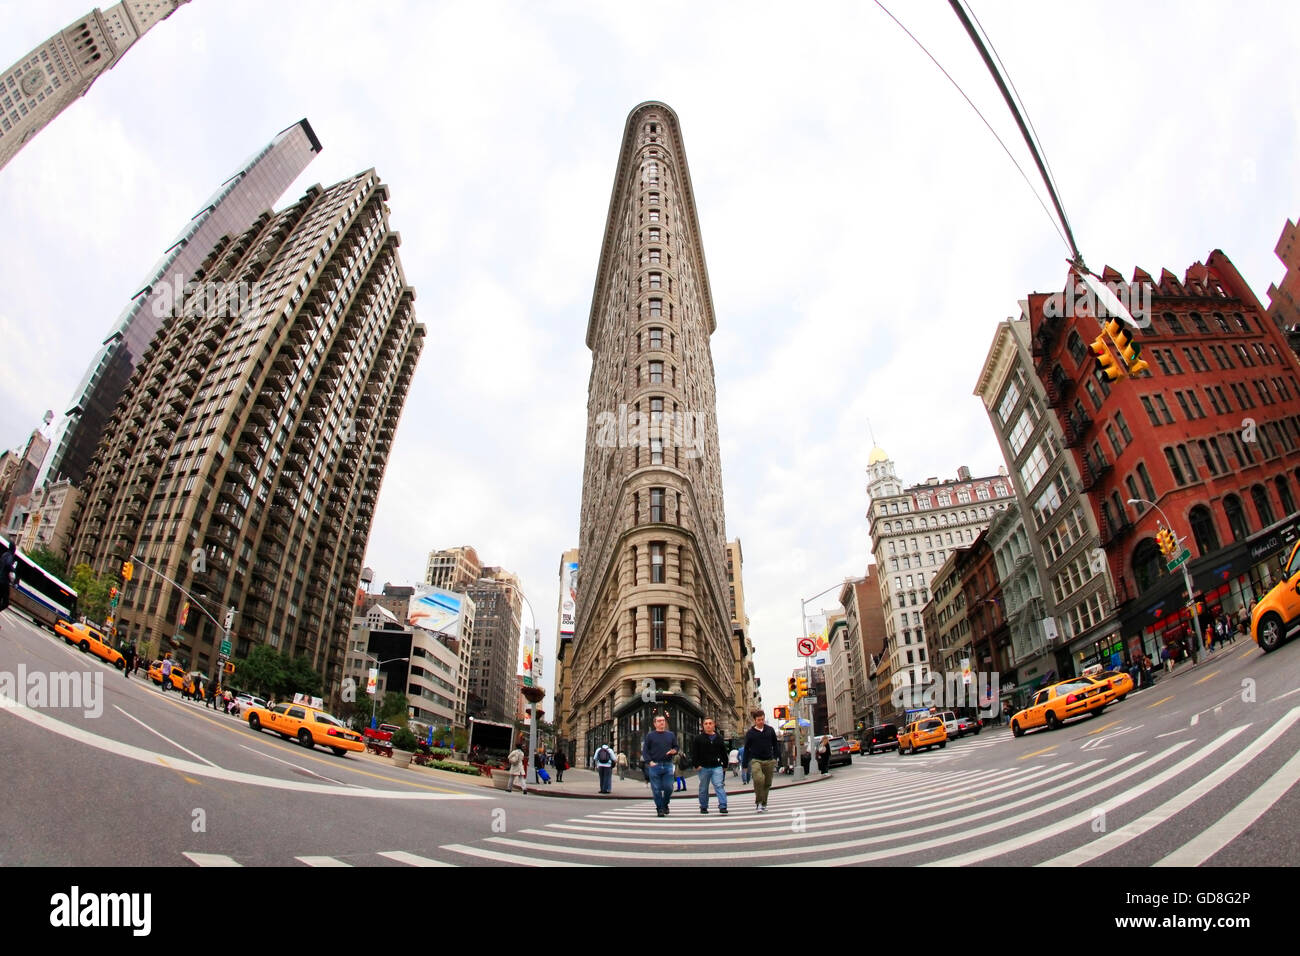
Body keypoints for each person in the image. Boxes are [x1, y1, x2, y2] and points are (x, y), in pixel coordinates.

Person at [741, 709, 779, 813]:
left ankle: (763, 804)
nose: (761, 721)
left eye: (762, 719)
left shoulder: (770, 730)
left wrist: (776, 758)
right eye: (758, 720)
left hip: (769, 760)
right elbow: (746, 749)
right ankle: (758, 802)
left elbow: (775, 744)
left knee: (767, 783)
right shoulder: (750, 733)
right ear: (755, 721)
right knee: (758, 780)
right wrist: (744, 764)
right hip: (755, 760)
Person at [642, 714, 679, 817]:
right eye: (659, 721)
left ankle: (665, 804)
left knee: (669, 788)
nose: (662, 722)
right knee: (656, 789)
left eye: (663, 720)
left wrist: (674, 751)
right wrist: (649, 762)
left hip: (667, 765)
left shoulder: (670, 735)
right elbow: (645, 751)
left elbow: (676, 747)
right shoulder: (650, 736)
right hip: (655, 765)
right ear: (655, 724)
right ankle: (660, 809)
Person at [692, 717, 729, 814]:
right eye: (706, 724)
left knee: (719, 785)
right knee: (703, 787)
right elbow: (694, 753)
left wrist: (725, 765)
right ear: (703, 726)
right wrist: (696, 765)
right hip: (703, 767)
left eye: (710, 723)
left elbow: (723, 753)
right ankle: (703, 806)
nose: (708, 725)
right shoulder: (698, 738)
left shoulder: (719, 738)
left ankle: (723, 806)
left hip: (716, 766)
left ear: (713, 725)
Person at [0, 540, 16, 626]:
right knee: (5, 602)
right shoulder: (10, 556)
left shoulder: (4, 555)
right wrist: (13, 570)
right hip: (4, 582)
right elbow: (8, 564)